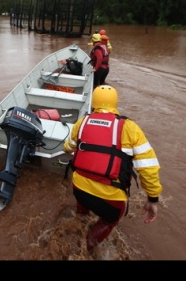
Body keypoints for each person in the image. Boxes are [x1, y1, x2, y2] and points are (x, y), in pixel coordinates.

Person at [63, 85, 162, 252]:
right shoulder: (130, 127)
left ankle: (80, 218)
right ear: (115, 102)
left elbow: (68, 147)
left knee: (83, 206)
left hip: (79, 188)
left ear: (93, 102)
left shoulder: (82, 122)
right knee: (109, 220)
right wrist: (153, 199)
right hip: (110, 198)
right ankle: (85, 249)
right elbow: (148, 168)